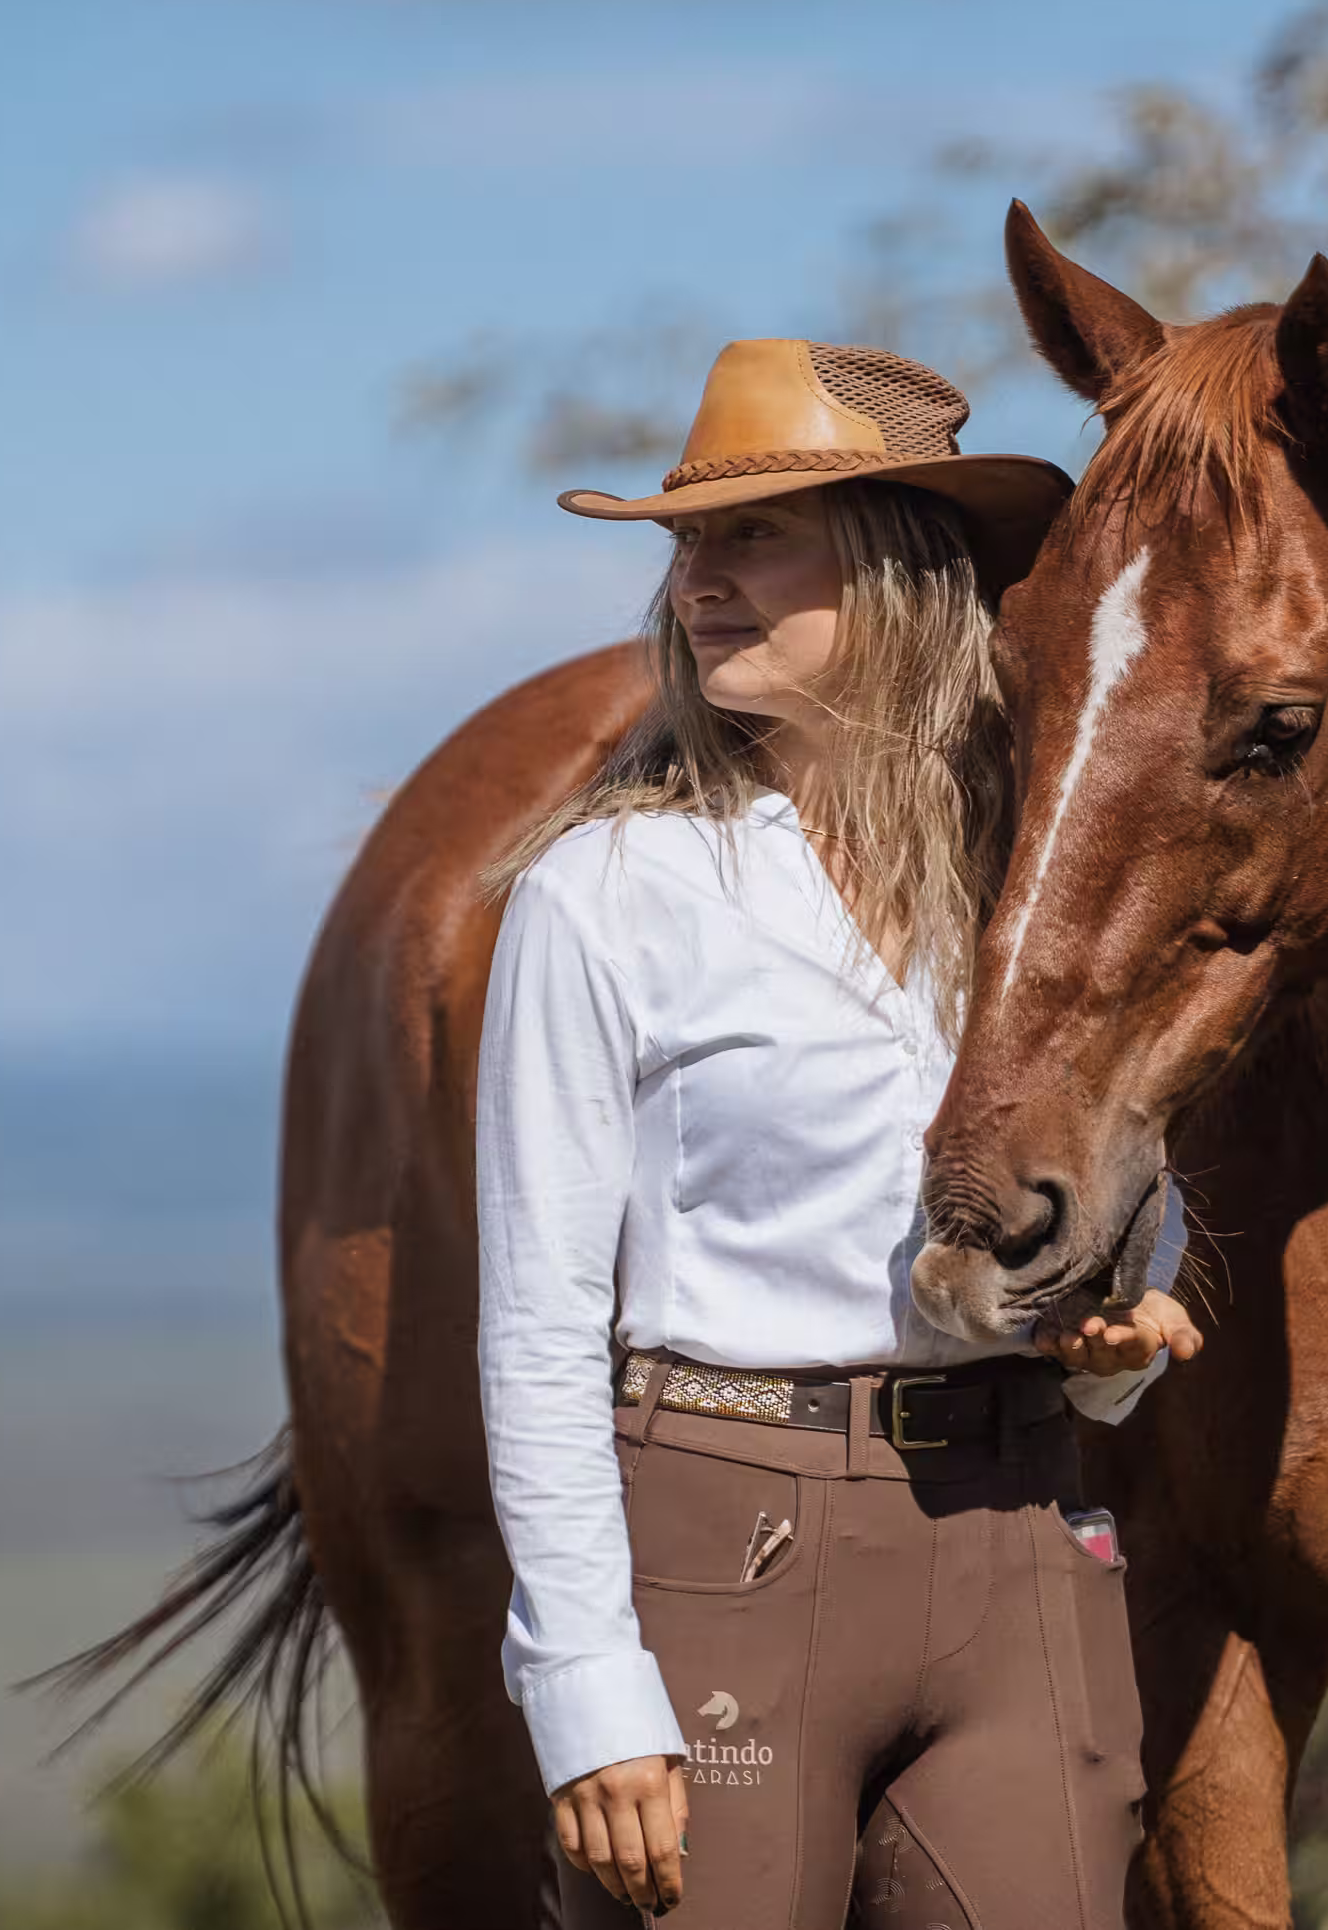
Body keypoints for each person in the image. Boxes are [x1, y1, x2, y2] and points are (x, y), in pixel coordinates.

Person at [476, 337, 1202, 1929]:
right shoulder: (602, 897)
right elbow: (535, 1326)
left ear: (893, 564)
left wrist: (1117, 1330)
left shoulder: (1031, 891)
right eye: (685, 545)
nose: (697, 585)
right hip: (723, 1544)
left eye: (751, 536)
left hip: (1024, 1547)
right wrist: (586, 1686)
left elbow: (1111, 1212)